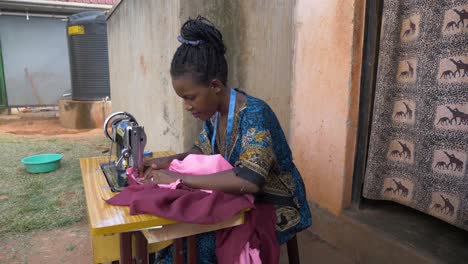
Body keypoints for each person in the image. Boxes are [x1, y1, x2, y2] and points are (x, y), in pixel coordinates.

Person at [141, 16, 312, 263]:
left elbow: (250, 179)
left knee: (200, 244)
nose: (187, 106)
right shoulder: (213, 114)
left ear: (215, 86)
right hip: (239, 197)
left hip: (276, 202)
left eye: (190, 97)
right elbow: (199, 151)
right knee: (177, 240)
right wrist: (166, 161)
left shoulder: (255, 114)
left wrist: (179, 178)